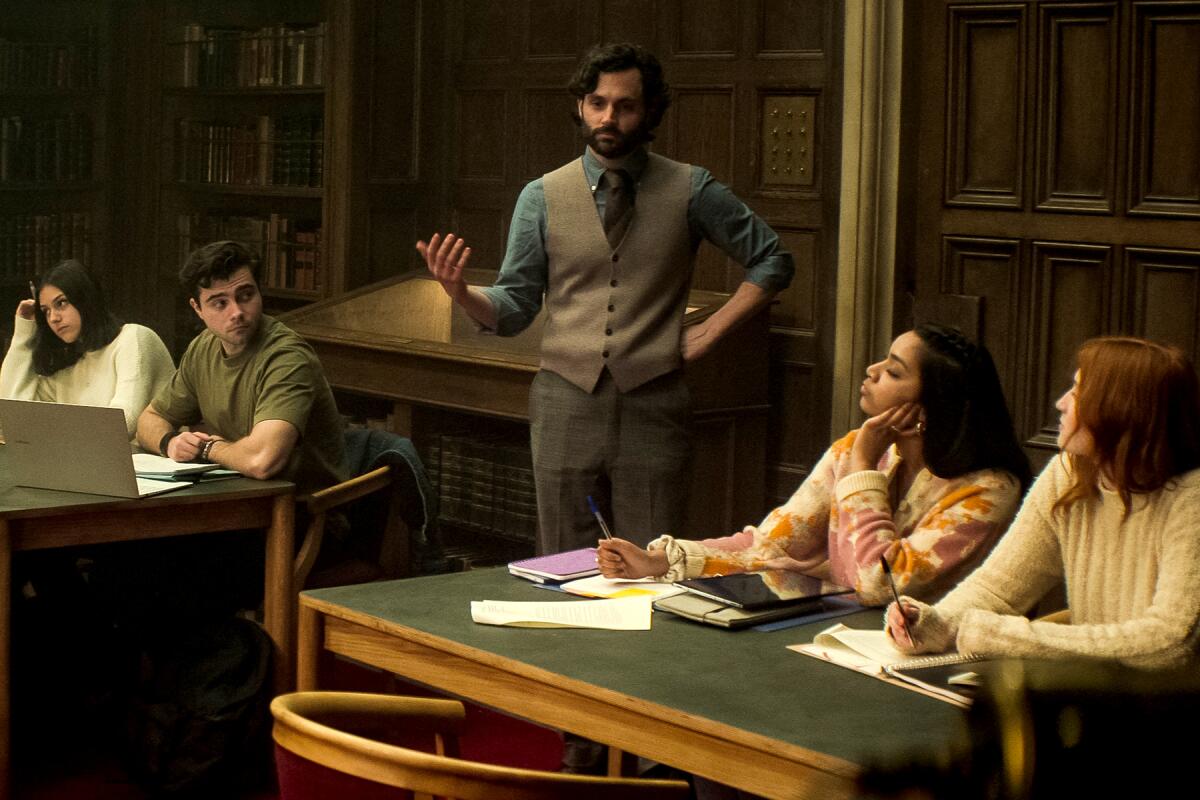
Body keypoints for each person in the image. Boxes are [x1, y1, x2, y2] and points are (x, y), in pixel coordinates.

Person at [417, 42, 794, 555]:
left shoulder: (690, 188)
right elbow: (513, 307)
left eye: (626, 105)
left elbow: (773, 259)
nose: (609, 117)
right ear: (581, 106)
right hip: (564, 402)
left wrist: (714, 328)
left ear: (650, 111)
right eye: (598, 103)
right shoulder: (542, 195)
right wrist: (463, 294)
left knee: (653, 563)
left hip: (654, 403)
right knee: (560, 561)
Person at [597, 324, 1032, 606]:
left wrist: (863, 470)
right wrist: (662, 561)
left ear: (928, 408)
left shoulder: (986, 491)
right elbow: (773, 544)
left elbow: (878, 585)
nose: (872, 369)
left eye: (894, 372)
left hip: (928, 664)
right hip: (833, 637)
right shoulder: (857, 448)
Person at [887, 337, 1200, 669]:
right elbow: (998, 590)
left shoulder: (1191, 498)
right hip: (1096, 695)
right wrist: (934, 624)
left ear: (1121, 409)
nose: (1061, 403)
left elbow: (1168, 644)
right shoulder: (1069, 474)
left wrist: (1000, 635)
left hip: (1166, 712)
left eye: (1078, 393)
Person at [136, 240, 346, 494]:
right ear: (197, 309)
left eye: (246, 296)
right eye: (219, 303)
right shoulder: (203, 347)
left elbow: (263, 462)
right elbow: (150, 420)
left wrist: (206, 448)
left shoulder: (287, 357)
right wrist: (170, 442)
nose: (236, 312)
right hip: (236, 498)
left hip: (302, 512)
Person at [0, 259, 174, 438]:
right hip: (90, 461)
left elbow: (122, 423)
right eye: (45, 311)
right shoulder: (69, 365)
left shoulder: (134, 338)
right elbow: (13, 419)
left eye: (61, 303)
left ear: (85, 299)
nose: (53, 318)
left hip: (154, 461)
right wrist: (23, 334)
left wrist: (56, 435)